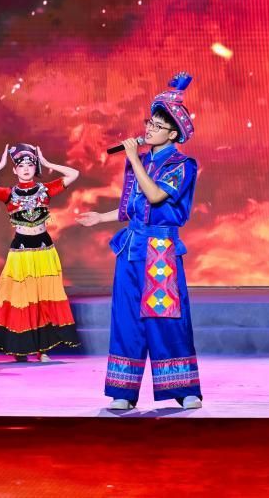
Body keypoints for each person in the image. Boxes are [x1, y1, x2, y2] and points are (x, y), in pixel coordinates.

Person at [77, 74, 202, 411]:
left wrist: (133, 159)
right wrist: (100, 217)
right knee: (126, 318)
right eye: (149, 122)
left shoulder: (183, 165)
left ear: (172, 134)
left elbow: (156, 195)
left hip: (160, 251)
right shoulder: (142, 162)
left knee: (165, 317)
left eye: (158, 126)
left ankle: (182, 388)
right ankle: (124, 390)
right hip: (131, 248)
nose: (149, 129)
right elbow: (134, 207)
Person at [0, 143, 81, 361]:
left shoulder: (45, 190)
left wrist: (48, 163)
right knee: (20, 298)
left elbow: (74, 174)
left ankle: (43, 349)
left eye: (30, 165)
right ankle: (19, 348)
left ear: (35, 168)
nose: (25, 169)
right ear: (15, 170)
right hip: (21, 251)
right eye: (20, 165)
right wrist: (1, 165)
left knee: (42, 297)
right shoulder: (9, 194)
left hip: (44, 250)